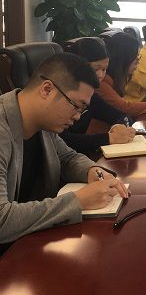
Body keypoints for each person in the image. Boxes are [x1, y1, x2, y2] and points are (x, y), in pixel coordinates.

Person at [0, 53, 129, 247]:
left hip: (31, 240)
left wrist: (92, 170)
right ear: (47, 89)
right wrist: (78, 201)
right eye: (76, 106)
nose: (78, 117)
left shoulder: (42, 123)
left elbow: (67, 157)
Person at [63, 37, 135, 152]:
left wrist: (118, 127)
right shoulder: (62, 97)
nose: (101, 75)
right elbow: (62, 142)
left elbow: (123, 115)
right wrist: (109, 138)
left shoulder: (92, 97)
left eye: (104, 69)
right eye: (96, 69)